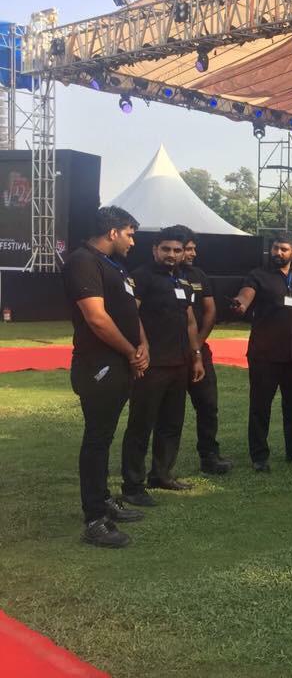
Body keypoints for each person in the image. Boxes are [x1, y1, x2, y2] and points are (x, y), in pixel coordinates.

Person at [63, 206, 148, 548]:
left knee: (105, 435)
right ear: (113, 232)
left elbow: (130, 312)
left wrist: (142, 344)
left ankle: (103, 500)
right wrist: (130, 352)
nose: (132, 241)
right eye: (129, 234)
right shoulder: (83, 261)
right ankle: (95, 519)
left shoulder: (114, 265)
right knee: (97, 439)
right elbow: (96, 319)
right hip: (98, 365)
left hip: (119, 363)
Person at [120, 227, 205, 506]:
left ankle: (161, 474)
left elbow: (190, 321)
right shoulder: (141, 277)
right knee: (141, 425)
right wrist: (141, 345)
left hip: (179, 363)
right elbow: (130, 314)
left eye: (177, 250)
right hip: (152, 365)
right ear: (154, 249)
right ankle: (133, 486)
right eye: (166, 249)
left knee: (171, 423)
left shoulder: (182, 280)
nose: (171, 254)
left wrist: (196, 356)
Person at [233, 235, 292, 472]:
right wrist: (240, 304)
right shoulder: (258, 275)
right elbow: (246, 295)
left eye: (284, 249)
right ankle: (259, 456)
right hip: (265, 354)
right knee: (260, 407)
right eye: (275, 248)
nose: (278, 252)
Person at [174, 225, 233, 475]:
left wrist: (196, 345)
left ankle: (209, 455)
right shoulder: (155, 275)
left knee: (208, 405)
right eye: (188, 249)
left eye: (193, 249)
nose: (192, 253)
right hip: (169, 352)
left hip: (198, 350)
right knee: (170, 411)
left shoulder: (198, 275)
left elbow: (210, 311)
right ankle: (161, 466)